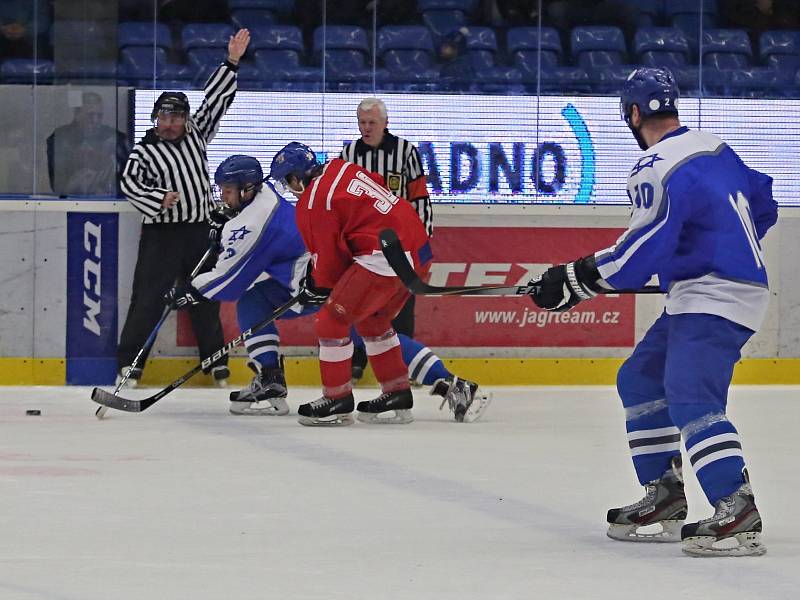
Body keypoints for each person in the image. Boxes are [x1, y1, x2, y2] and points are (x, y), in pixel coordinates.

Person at [527, 67, 776, 557]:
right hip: (713, 289)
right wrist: (707, 252)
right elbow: (761, 202)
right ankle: (664, 495)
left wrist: (574, 279)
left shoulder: (653, 164)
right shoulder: (716, 147)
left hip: (713, 296)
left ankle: (737, 507)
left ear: (633, 113)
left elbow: (641, 248)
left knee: (690, 396)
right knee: (640, 379)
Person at [165, 152, 490, 423]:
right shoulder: (342, 168)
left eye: (228, 189)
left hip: (378, 257)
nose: (288, 189)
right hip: (412, 247)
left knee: (331, 321)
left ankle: (336, 402)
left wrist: (320, 286)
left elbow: (323, 259)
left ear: (293, 178)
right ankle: (413, 391)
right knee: (372, 324)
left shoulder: (310, 201)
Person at [116, 28, 250, 388]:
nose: (172, 124)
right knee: (147, 299)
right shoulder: (143, 151)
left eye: (177, 118)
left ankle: (215, 362)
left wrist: (232, 62)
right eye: (165, 118)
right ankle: (130, 365)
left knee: (206, 295)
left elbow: (216, 102)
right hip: (162, 234)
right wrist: (157, 199)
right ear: (155, 119)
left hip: (198, 231)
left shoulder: (196, 134)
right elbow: (128, 184)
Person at [340, 98, 433, 381]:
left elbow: (419, 197)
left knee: (400, 306)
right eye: (362, 123)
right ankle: (356, 361)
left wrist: (421, 241)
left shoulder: (406, 152)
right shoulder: (349, 152)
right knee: (357, 302)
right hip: (363, 245)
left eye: (372, 123)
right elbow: (342, 199)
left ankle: (404, 366)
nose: (366, 128)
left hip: (400, 244)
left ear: (385, 123)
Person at [46, 92, 129, 197]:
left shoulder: (116, 139)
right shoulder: (60, 139)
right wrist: (77, 180)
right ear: (77, 114)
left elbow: (126, 182)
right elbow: (58, 186)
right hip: (69, 204)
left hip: (109, 204)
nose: (95, 121)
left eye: (99, 116)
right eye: (90, 115)